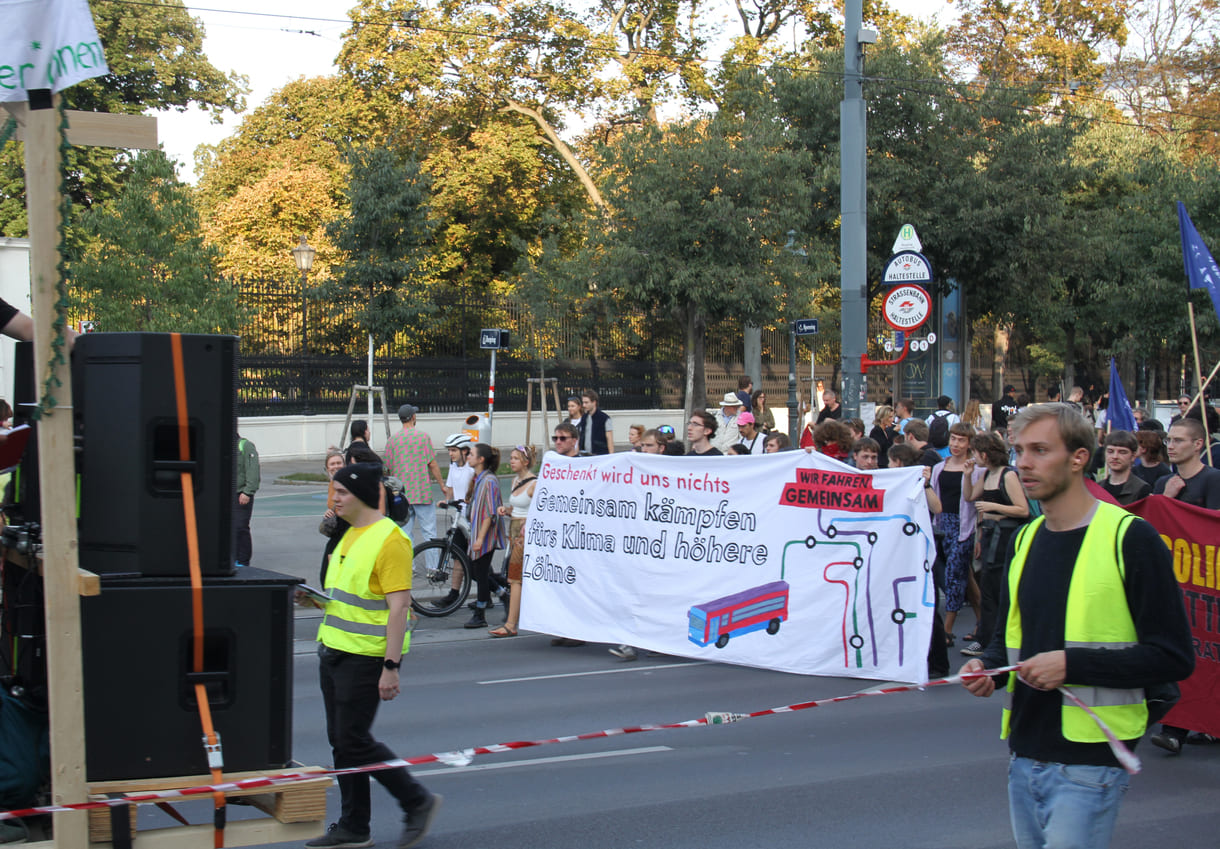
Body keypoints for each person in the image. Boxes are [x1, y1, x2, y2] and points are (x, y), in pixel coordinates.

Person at [960, 404, 1193, 849]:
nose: (1023, 462)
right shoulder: (1026, 537)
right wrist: (987, 669)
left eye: (1040, 450)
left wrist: (1071, 664)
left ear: (1079, 457)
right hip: (1024, 752)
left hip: (1091, 760)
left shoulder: (1132, 538)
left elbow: (1173, 656)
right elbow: (1009, 640)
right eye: (1019, 450)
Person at [308, 463, 442, 849]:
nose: (334, 500)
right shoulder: (349, 534)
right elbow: (349, 597)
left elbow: (399, 608)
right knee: (342, 741)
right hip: (333, 649)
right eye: (333, 492)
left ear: (362, 495)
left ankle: (417, 801)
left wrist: (391, 667)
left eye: (340, 493)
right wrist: (314, 601)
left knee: (354, 739)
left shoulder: (390, 539)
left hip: (366, 657)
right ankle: (354, 826)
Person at [960, 431, 1028, 658]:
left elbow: (1022, 509)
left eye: (976, 453)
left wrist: (994, 508)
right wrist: (967, 475)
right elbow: (969, 497)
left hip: (1004, 538)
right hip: (989, 536)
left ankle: (995, 639)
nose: (974, 457)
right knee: (988, 588)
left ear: (985, 454)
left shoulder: (1007, 476)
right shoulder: (988, 474)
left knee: (998, 589)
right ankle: (987, 638)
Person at [930, 422, 980, 646]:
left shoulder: (976, 469)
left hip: (964, 527)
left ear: (969, 443)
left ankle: (947, 630)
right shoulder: (941, 467)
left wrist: (978, 534)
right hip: (942, 526)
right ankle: (983, 622)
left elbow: (976, 502)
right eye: (953, 439)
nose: (955, 444)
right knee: (965, 578)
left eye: (961, 440)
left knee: (953, 577)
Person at [383, 405, 447, 566]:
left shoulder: (392, 441)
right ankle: (432, 567)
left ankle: (407, 567)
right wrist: (441, 484)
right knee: (429, 532)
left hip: (401, 495)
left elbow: (387, 469)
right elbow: (432, 464)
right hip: (421, 492)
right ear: (412, 417)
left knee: (405, 533)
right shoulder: (423, 437)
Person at [491, 446, 536, 638]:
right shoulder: (514, 482)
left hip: (524, 536)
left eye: (516, 458)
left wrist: (528, 522)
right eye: (511, 458)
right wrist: (506, 510)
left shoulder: (535, 484)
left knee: (515, 578)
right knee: (517, 578)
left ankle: (511, 623)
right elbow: (517, 509)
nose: (511, 461)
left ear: (525, 462)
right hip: (514, 534)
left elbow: (539, 510)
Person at [548, 423, 587, 647]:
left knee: (576, 584)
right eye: (555, 438)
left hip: (578, 534)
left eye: (563, 438)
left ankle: (578, 631)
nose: (558, 442)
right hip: (559, 534)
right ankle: (563, 627)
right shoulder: (553, 463)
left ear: (574, 440)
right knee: (561, 583)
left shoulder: (585, 463)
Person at [462, 443, 506, 629]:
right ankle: (504, 593)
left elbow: (489, 512)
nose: (468, 456)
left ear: (481, 459)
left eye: (471, 454)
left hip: (485, 535)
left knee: (478, 572)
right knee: (476, 571)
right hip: (479, 533)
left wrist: (480, 538)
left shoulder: (489, 481)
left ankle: (480, 614)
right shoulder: (480, 478)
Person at [1153, 417, 1220, 508]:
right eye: (1168, 440)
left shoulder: (1214, 479)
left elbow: (1213, 519)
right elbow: (1155, 519)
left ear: (1198, 444)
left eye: (1178, 440)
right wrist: (1166, 497)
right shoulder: (1163, 482)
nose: (1170, 446)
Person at [319, 448, 349, 586]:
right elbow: (334, 504)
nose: (336, 466)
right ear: (327, 468)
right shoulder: (332, 484)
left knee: (330, 573)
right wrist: (329, 512)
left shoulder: (348, 483)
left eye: (339, 463)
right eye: (332, 464)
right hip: (338, 529)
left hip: (348, 529)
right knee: (327, 574)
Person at [1100, 431, 1151, 506]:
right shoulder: (1097, 488)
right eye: (1110, 451)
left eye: (1122, 452)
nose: (1115, 456)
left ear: (1133, 456)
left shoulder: (1141, 489)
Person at [234, 431, 260, 568]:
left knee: (240, 527)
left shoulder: (245, 446)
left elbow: (253, 470)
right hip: (228, 495)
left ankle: (243, 561)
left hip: (240, 494)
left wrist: (248, 492)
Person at [578, 389, 614, 455]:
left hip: (600, 455)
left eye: (586, 402)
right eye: (583, 402)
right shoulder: (584, 418)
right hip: (584, 455)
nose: (584, 405)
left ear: (594, 402)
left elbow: (610, 439)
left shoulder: (605, 418)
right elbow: (581, 437)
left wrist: (611, 456)